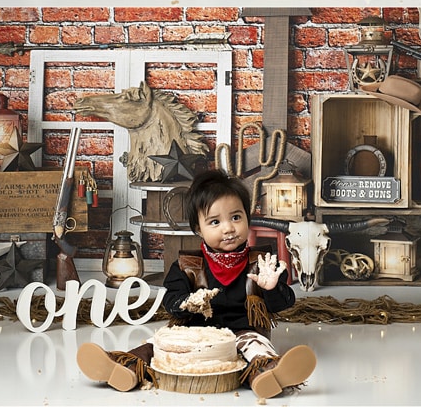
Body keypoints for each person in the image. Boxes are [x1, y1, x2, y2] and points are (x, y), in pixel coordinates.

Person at [77, 169, 315, 398]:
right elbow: (170, 301)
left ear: (247, 218)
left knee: (255, 347)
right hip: (195, 333)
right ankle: (125, 368)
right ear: (198, 229)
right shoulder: (186, 265)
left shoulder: (263, 262)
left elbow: (283, 303)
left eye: (236, 217)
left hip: (244, 330)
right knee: (156, 343)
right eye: (215, 222)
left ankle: (268, 375)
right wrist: (187, 303)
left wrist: (271, 288)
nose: (229, 228)